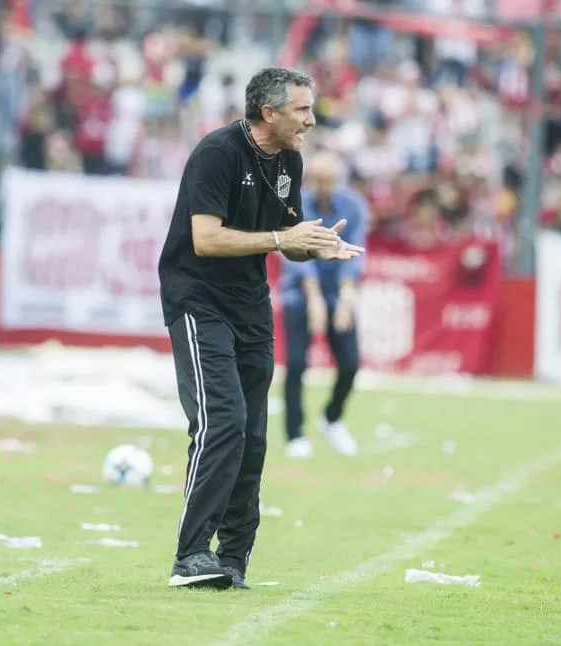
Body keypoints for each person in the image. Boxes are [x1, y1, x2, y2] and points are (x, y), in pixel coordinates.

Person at [157, 67, 365, 590]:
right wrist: (279, 238)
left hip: (250, 302)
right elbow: (205, 238)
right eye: (302, 110)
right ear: (268, 112)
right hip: (197, 299)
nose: (312, 120)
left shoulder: (290, 161)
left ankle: (232, 557)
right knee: (221, 420)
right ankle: (189, 557)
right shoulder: (216, 153)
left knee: (252, 434)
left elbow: (286, 241)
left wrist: (313, 246)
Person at [280, 151, 369, 459]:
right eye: (318, 180)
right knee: (295, 365)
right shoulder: (296, 205)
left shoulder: (354, 206)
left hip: (337, 291)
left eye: (329, 180)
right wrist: (314, 297)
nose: (323, 186)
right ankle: (294, 434)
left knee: (350, 364)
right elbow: (294, 253)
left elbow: (356, 251)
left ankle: (332, 418)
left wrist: (346, 296)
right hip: (299, 294)